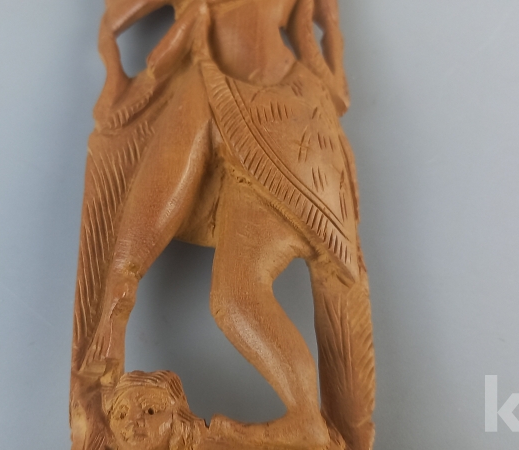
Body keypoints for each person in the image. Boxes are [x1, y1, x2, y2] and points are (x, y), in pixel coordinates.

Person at [71, 1, 374, 449]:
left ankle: (310, 421)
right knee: (234, 296)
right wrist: (119, 67)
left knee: (237, 297)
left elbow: (325, 53)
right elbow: (111, 24)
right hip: (225, 99)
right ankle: (307, 421)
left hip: (286, 117)